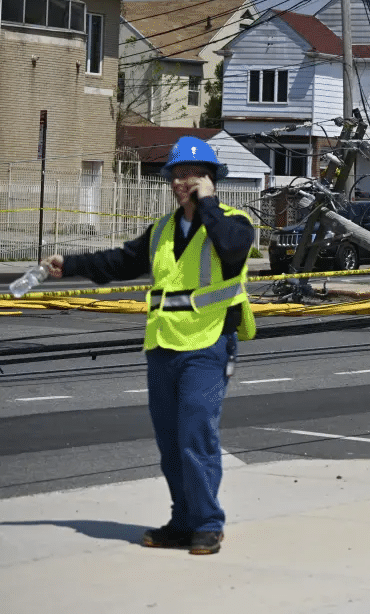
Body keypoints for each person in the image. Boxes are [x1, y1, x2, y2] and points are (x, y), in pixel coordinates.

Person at [45, 136, 256, 556]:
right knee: (171, 439)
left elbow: (231, 250)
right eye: (177, 175)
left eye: (193, 174)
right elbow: (120, 261)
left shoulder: (234, 221)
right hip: (162, 344)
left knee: (196, 435)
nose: (183, 182)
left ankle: (208, 524)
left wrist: (208, 204)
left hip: (208, 344)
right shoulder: (162, 229)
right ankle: (182, 521)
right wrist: (70, 265)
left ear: (210, 178)